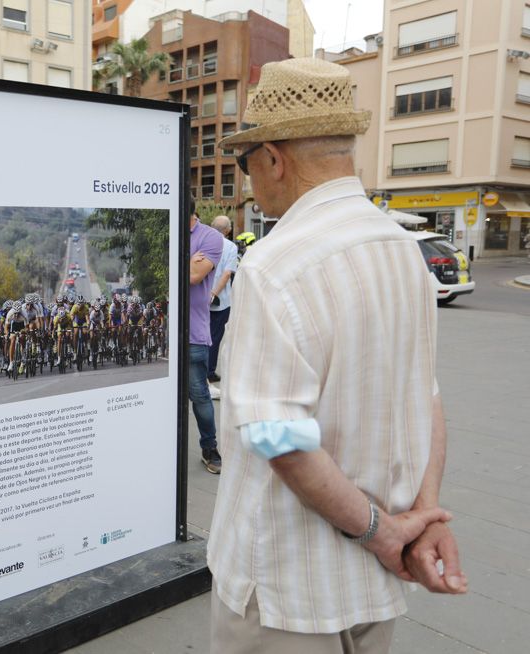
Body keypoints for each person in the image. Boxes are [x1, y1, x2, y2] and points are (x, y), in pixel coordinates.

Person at [208, 58, 466, 653]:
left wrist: (381, 532)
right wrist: (421, 519)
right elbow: (425, 395)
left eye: (246, 163)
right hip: (375, 585)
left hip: (282, 588)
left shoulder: (274, 265)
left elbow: (278, 436)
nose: (248, 181)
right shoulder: (406, 254)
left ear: (275, 158)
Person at [188, 211, 223, 474]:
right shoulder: (171, 232)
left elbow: (193, 277)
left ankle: (209, 448)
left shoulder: (210, 237)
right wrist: (188, 260)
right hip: (165, 336)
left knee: (200, 395)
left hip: (193, 334)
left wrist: (185, 265)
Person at [206, 215, 239, 395]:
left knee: (200, 335)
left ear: (211, 226)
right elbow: (227, 274)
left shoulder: (204, 241)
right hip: (221, 300)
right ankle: (209, 372)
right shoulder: (231, 247)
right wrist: (214, 294)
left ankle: (202, 372)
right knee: (214, 337)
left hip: (201, 297)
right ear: (228, 230)